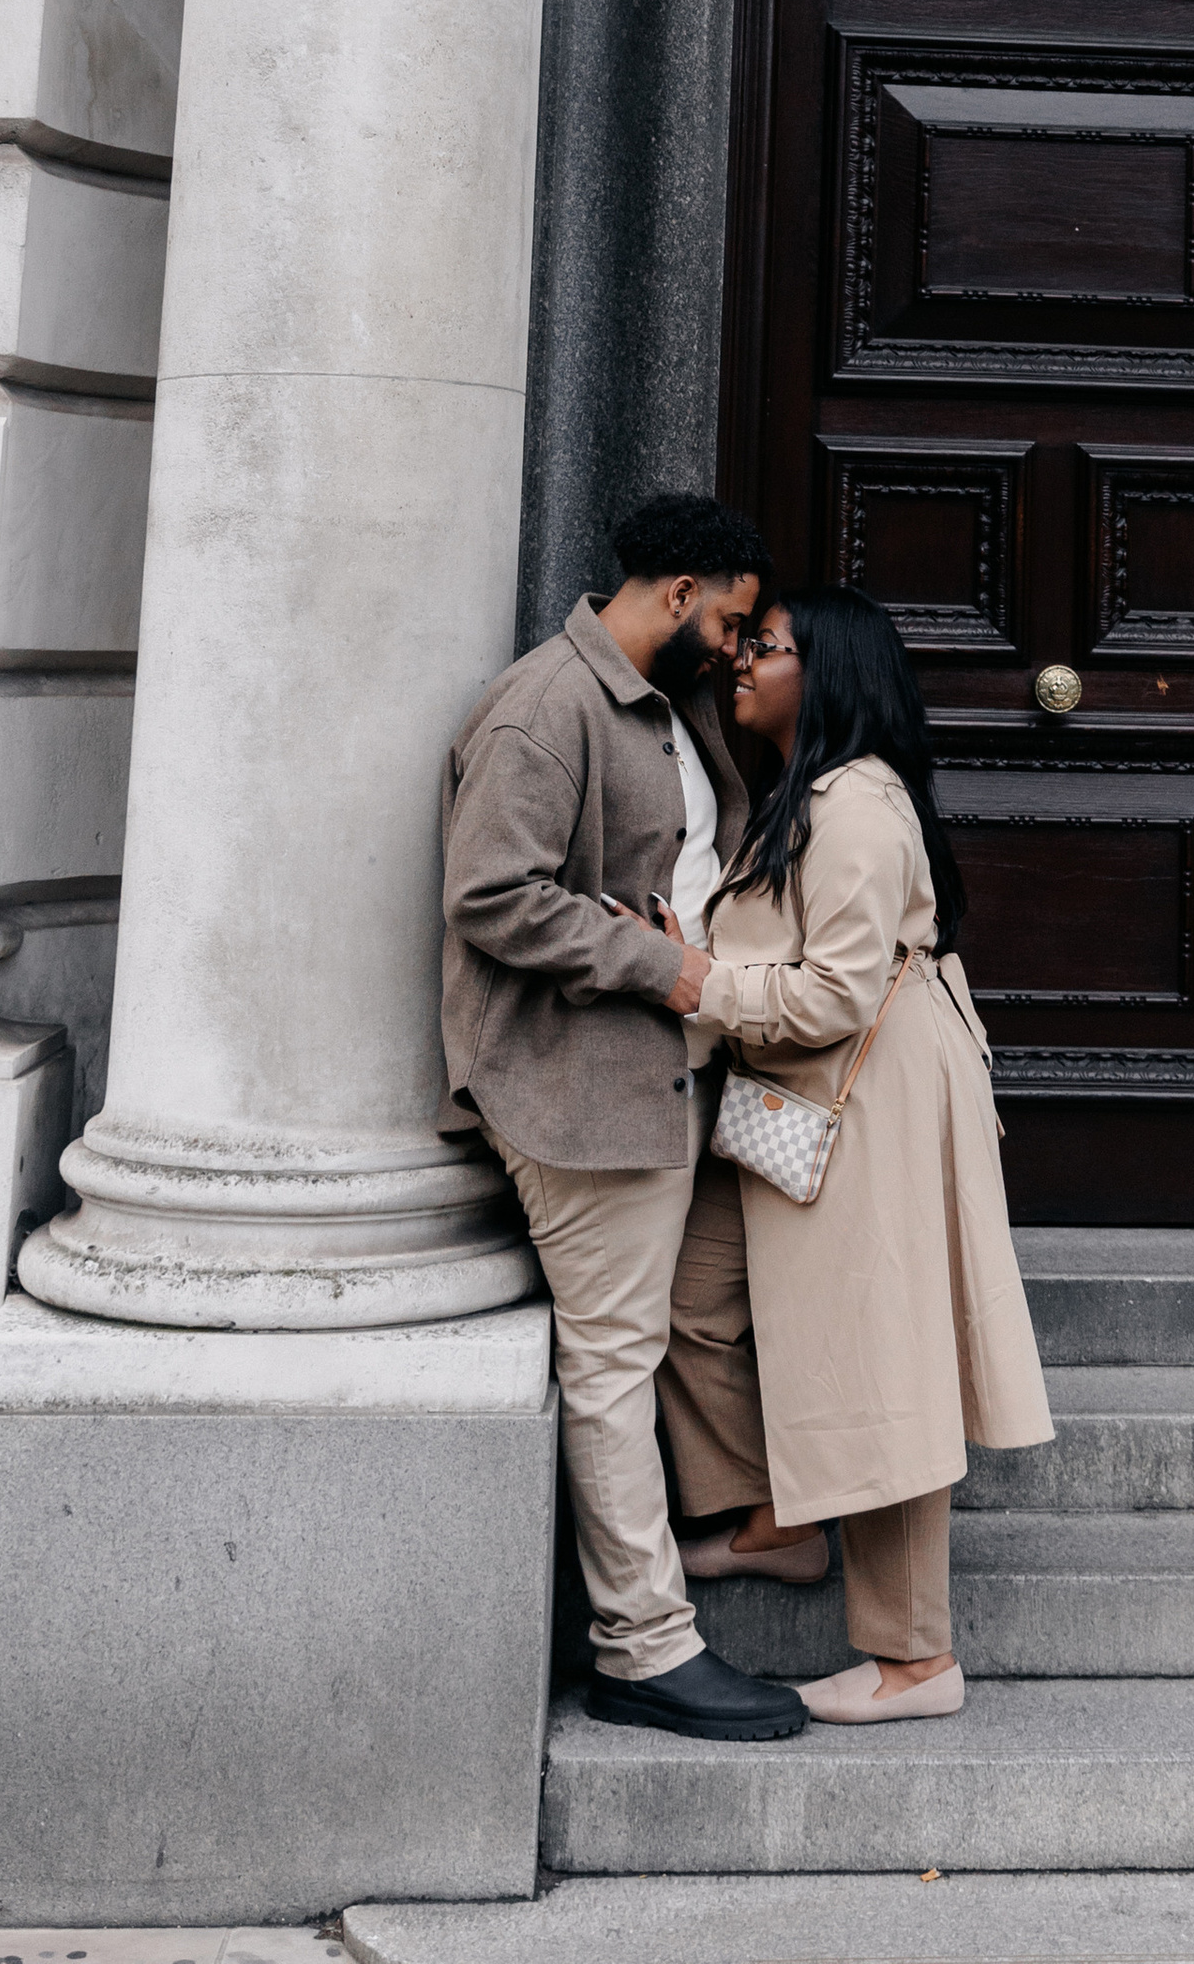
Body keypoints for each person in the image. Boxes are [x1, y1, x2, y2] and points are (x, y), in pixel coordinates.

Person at [438, 492, 810, 1743]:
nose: (740, 645)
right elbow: (493, 897)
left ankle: (738, 1547)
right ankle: (645, 1647)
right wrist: (661, 969)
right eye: (734, 620)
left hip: (667, 1081)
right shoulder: (545, 709)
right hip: (580, 1095)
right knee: (611, 1368)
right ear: (676, 594)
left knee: (663, 1336)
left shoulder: (672, 708)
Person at [654, 583, 1055, 1725]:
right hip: (794, 1104)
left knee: (883, 1369)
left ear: (823, 674)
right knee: (691, 1302)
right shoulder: (804, 796)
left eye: (765, 648)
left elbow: (832, 994)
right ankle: (781, 1519)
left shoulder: (859, 807)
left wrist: (694, 978)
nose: (740, 662)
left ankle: (914, 1658)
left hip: (862, 1101)